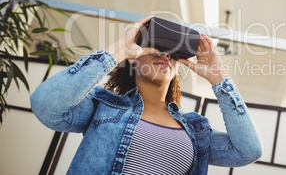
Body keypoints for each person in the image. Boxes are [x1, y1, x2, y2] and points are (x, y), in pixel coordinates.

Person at [30, 16, 263, 174]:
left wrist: (218, 77)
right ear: (134, 57)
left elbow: (248, 151)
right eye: (156, 48)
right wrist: (120, 48)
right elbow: (46, 106)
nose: (165, 55)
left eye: (173, 55)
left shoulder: (196, 129)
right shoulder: (103, 106)